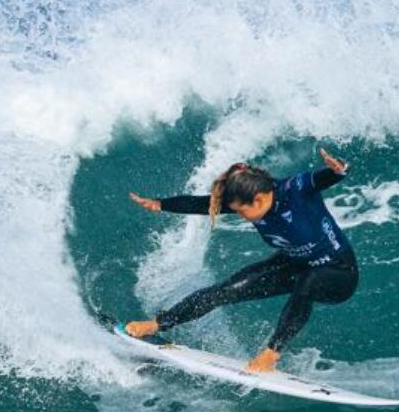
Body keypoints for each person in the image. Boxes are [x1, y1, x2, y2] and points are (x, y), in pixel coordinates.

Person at [125, 148, 358, 372]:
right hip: (294, 264)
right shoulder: (248, 199)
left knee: (308, 282)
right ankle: (158, 323)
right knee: (226, 290)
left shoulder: (294, 189)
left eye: (241, 211)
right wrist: (161, 204)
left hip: (339, 272)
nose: (240, 215)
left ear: (258, 200)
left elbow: (327, 177)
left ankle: (271, 355)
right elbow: (202, 204)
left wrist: (338, 169)